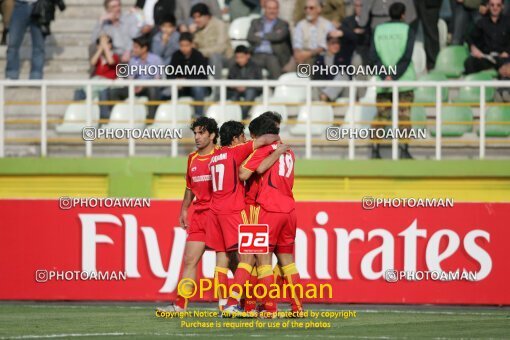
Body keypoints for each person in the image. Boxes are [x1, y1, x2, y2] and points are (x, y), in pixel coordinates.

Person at [223, 115, 304, 318]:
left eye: (252, 136)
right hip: (289, 209)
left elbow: (246, 172)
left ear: (259, 134)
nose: (251, 140)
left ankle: (267, 308)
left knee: (260, 260)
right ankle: (297, 308)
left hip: (265, 208)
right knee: (287, 261)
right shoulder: (289, 152)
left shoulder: (264, 150)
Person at [156, 117, 234, 312]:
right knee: (190, 260)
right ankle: (180, 305)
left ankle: (230, 303)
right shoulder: (192, 157)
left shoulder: (223, 155)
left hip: (219, 215)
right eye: (195, 133)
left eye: (201, 133)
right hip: (199, 215)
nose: (197, 137)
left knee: (229, 262)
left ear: (213, 135)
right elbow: (190, 186)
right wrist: (184, 208)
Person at [207, 118, 280, 316]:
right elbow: (265, 139)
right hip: (233, 211)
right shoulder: (236, 151)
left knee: (222, 260)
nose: (246, 139)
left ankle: (224, 305)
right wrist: (278, 139)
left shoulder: (214, 156)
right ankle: (234, 303)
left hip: (215, 212)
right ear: (235, 138)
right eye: (243, 137)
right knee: (248, 257)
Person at [369, 2, 415, 159]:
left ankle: (375, 150)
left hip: (383, 83)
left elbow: (373, 57)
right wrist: (394, 76)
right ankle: (404, 150)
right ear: (403, 14)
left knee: (381, 116)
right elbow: (407, 57)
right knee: (404, 117)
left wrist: (385, 76)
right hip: (404, 82)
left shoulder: (378, 30)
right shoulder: (408, 29)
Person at [103, 35, 163, 120]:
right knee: (114, 92)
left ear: (144, 48)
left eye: (136, 47)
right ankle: (117, 118)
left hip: (148, 87)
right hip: (134, 87)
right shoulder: (133, 60)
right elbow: (130, 78)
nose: (133, 50)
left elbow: (157, 79)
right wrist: (134, 86)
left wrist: (143, 86)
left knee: (153, 90)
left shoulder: (156, 60)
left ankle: (151, 119)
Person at [74, 34, 120, 119]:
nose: (104, 45)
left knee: (103, 92)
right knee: (79, 91)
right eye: (100, 44)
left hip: (108, 84)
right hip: (96, 82)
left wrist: (105, 47)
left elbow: (111, 61)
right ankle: (77, 114)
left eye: (107, 43)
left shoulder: (115, 56)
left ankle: (104, 118)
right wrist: (100, 49)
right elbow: (92, 62)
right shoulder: (99, 57)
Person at [167, 32, 210, 117]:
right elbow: (170, 73)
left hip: (199, 87)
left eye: (186, 45)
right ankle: (171, 116)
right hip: (182, 87)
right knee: (166, 90)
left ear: (191, 44)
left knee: (197, 87)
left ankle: (199, 116)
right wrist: (177, 80)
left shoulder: (198, 55)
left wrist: (185, 80)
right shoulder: (176, 55)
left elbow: (201, 75)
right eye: (182, 45)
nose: (184, 48)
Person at [247, 0, 292, 80]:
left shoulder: (283, 24)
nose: (272, 11)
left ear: (278, 10)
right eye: (269, 8)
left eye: (274, 8)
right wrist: (273, 34)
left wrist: (261, 34)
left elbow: (279, 37)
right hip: (256, 54)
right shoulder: (255, 22)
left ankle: (277, 89)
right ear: (264, 9)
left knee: (272, 62)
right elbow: (250, 37)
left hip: (274, 55)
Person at [464, 0, 510, 74]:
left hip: (503, 58)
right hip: (487, 57)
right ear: (488, 6)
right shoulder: (481, 23)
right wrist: (473, 48)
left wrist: (507, 52)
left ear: (502, 7)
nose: (495, 8)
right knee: (469, 63)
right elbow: (468, 37)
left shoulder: (508, 22)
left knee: (507, 67)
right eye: (492, 5)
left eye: (498, 5)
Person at [190, 3, 233, 81]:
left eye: (199, 17)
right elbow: (192, 49)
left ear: (207, 16)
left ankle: (218, 90)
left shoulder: (219, 25)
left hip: (225, 58)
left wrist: (200, 52)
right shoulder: (195, 29)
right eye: (194, 18)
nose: (196, 20)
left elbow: (221, 48)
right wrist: (190, 35)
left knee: (214, 57)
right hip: (205, 59)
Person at [5, 0, 45, 79]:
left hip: (39, 5)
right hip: (19, 5)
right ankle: (12, 74)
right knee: (13, 44)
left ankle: (36, 76)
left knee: (39, 46)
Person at [293, 0, 336, 66]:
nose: (308, 10)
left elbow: (324, 46)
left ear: (318, 10)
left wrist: (309, 54)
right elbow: (297, 44)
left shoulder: (327, 25)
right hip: (304, 55)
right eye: (306, 8)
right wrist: (299, 54)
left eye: (311, 8)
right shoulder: (301, 25)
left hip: (322, 56)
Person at [312, 33, 351, 102]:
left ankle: (326, 96)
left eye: (338, 43)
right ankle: (324, 97)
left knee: (343, 75)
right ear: (327, 44)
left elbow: (347, 75)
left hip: (341, 90)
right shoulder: (320, 59)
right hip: (325, 87)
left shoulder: (344, 57)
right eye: (333, 43)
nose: (336, 45)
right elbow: (317, 77)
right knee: (315, 85)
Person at [227, 46, 263, 119]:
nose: (239, 60)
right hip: (236, 91)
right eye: (237, 57)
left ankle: (241, 117)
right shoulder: (233, 67)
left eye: (241, 57)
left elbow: (260, 85)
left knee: (250, 92)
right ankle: (240, 116)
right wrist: (236, 86)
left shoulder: (256, 66)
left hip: (251, 91)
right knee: (233, 96)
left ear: (248, 56)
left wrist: (246, 87)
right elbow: (228, 83)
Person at [414, 0, 442, 70]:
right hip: (411, 4)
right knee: (408, 33)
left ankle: (433, 66)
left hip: (430, 4)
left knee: (431, 34)